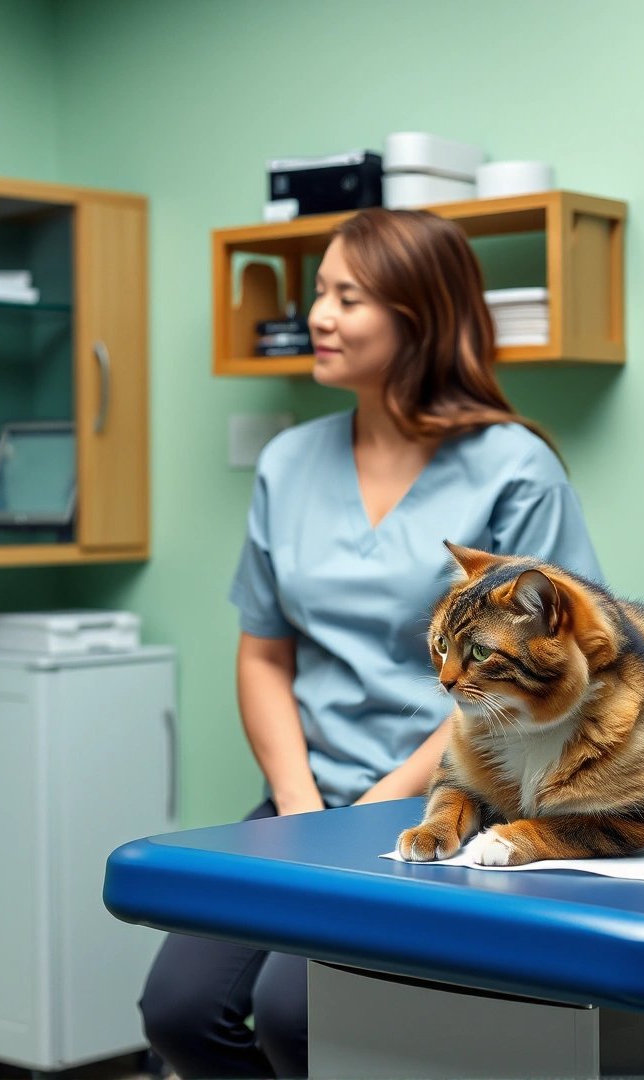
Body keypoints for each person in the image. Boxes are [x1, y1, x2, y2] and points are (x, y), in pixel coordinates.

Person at [138, 209, 602, 1079]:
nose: (317, 315)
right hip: (309, 798)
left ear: (419, 319)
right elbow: (265, 652)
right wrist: (298, 804)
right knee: (180, 1013)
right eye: (320, 292)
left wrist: (384, 805)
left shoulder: (514, 470)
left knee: (292, 1014)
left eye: (347, 297)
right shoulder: (289, 462)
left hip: (453, 805)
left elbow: (538, 686)